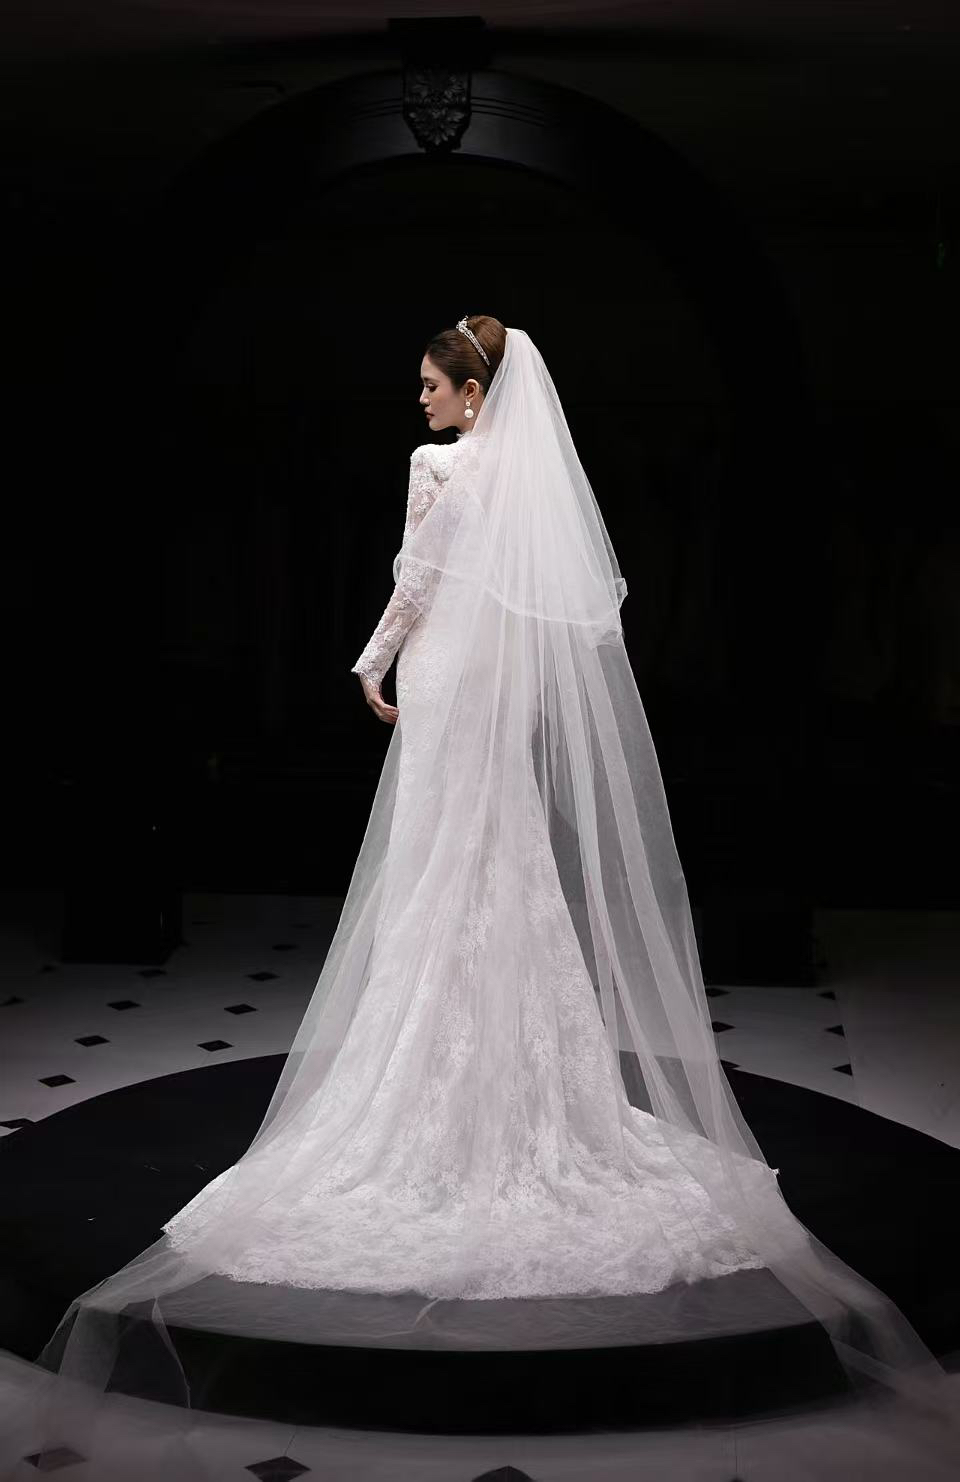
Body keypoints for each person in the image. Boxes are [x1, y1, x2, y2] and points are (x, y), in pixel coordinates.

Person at [15, 317, 959, 1476]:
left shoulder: (442, 466)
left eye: (431, 385)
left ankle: (434, 1075)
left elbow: (415, 579)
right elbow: (556, 605)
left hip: (445, 674)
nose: (418, 402)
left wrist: (368, 662)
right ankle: (523, 1079)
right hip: (493, 684)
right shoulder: (527, 476)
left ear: (473, 392)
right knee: (496, 863)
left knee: (439, 868)